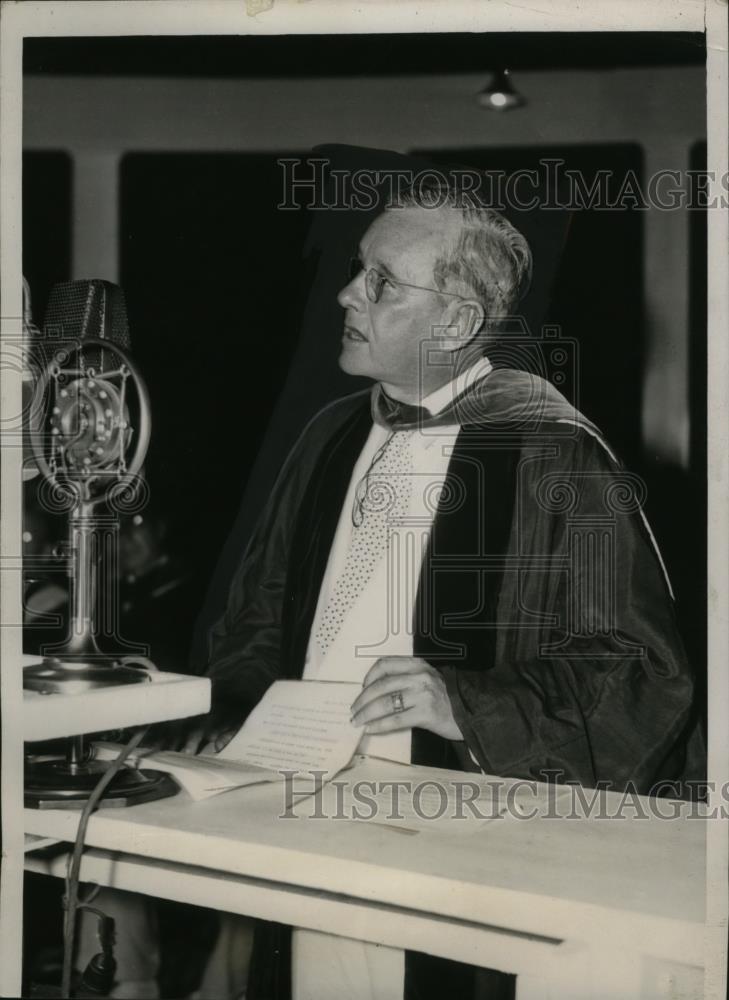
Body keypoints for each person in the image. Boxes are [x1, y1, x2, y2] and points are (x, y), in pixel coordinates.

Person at [188, 184, 699, 1000]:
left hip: (452, 828)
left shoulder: (554, 455)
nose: (346, 294)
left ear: (457, 321)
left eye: (381, 281)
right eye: (357, 269)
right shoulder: (330, 436)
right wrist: (233, 710)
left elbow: (641, 671)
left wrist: (465, 703)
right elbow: (259, 610)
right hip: (296, 813)